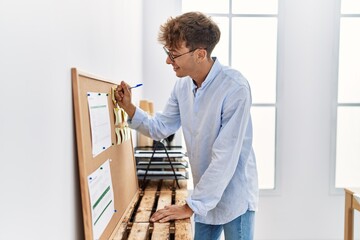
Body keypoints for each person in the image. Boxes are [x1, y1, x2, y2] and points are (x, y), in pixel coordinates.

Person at [115, 11, 258, 240]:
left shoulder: (235, 88)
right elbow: (161, 127)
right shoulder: (182, 87)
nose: (168, 61)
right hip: (204, 195)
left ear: (200, 54)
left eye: (173, 54)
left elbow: (224, 157)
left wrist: (191, 206)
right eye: (167, 52)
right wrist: (130, 108)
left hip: (235, 197)